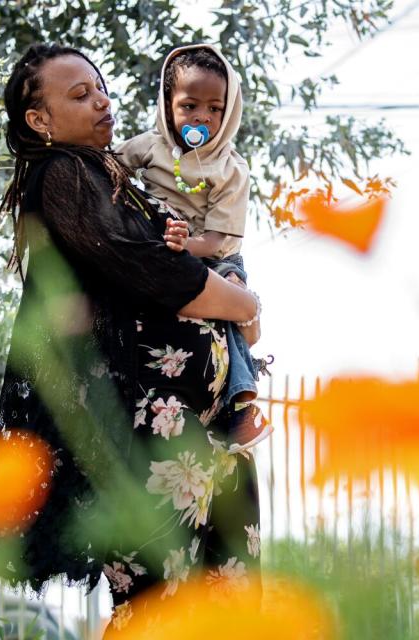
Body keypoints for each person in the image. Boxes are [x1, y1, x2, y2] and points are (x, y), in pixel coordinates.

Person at [0, 43, 263, 630]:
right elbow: (150, 268)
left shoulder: (115, 175)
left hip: (205, 429)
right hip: (148, 435)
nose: (101, 101)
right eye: (79, 95)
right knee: (156, 604)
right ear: (40, 120)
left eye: (101, 87)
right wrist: (243, 302)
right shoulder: (62, 175)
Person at [116, 44, 271, 453]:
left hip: (215, 256)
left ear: (229, 111)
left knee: (231, 306)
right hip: (164, 247)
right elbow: (110, 165)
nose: (202, 117)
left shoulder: (230, 169)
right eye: (190, 105)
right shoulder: (151, 146)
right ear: (168, 106)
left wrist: (188, 245)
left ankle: (240, 405)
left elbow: (220, 240)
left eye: (214, 108)